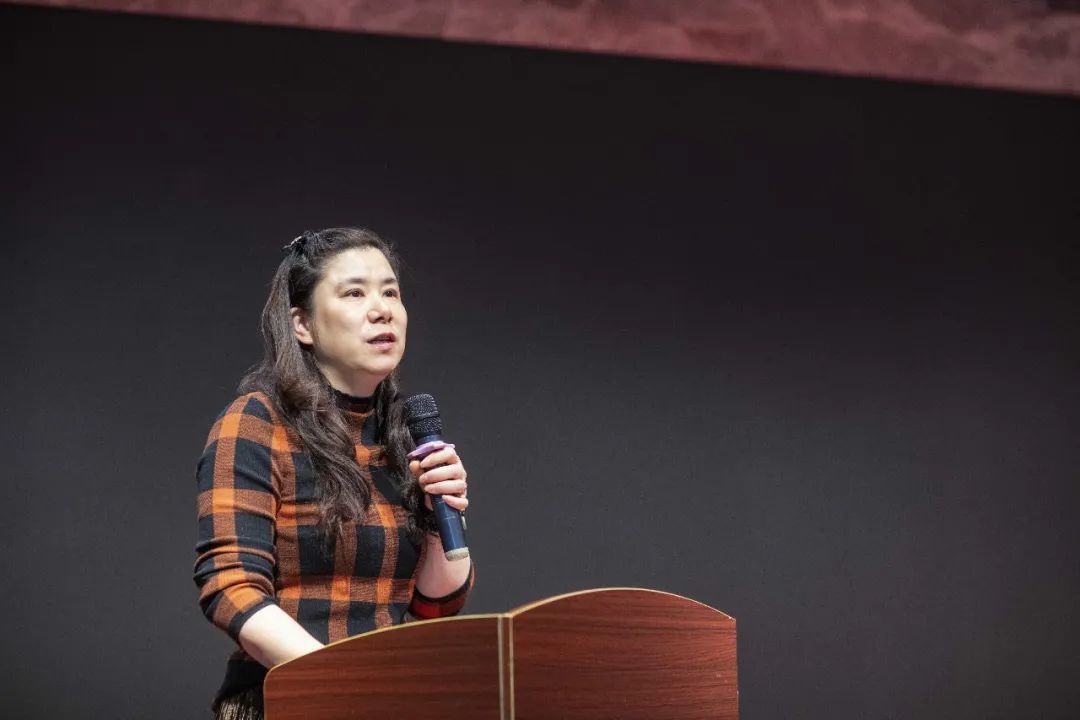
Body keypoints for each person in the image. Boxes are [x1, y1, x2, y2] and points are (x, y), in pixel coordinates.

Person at [193, 227, 475, 719]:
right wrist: (340, 683)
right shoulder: (257, 423)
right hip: (286, 699)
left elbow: (435, 605)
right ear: (302, 325)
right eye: (354, 293)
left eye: (391, 293)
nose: (382, 309)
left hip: (386, 700)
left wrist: (439, 519)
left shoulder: (405, 434)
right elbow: (230, 587)